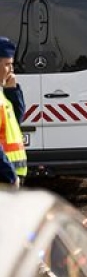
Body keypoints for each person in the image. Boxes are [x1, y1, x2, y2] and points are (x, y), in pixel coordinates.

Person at [0, 37, 26, 186]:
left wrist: (13, 90)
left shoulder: (2, 95)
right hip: (5, 177)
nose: (11, 70)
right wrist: (10, 176)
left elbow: (16, 120)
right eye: (7, 65)